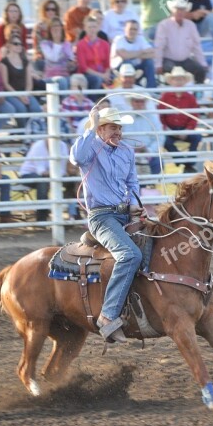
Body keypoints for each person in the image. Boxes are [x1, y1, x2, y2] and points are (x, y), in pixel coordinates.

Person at [69, 106, 141, 344]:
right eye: (112, 127)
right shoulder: (90, 149)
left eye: (119, 127)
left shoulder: (127, 152)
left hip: (124, 214)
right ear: (100, 129)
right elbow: (76, 157)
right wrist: (90, 126)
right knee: (129, 255)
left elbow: (132, 182)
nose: (118, 131)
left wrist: (134, 205)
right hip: (101, 216)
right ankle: (108, 316)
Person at [154, 0, 208, 84]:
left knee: (200, 70)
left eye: (182, 9)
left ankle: (197, 94)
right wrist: (158, 64)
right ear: (172, 10)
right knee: (171, 72)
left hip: (185, 60)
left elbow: (196, 46)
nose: (180, 12)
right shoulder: (164, 25)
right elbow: (159, 46)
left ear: (185, 11)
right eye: (177, 9)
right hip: (169, 59)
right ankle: (169, 95)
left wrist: (203, 63)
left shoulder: (191, 25)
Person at [18, 138, 72, 222]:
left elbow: (62, 169)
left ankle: (73, 214)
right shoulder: (38, 146)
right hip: (29, 174)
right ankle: (42, 218)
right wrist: (54, 174)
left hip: (51, 176)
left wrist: (53, 174)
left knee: (71, 182)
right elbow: (41, 171)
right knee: (43, 182)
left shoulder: (62, 146)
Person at [159, 66, 201, 172]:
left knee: (197, 137)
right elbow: (160, 116)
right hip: (169, 129)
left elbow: (194, 116)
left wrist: (187, 130)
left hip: (185, 128)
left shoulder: (190, 98)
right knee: (164, 139)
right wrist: (167, 130)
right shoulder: (165, 97)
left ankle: (188, 162)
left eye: (180, 79)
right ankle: (181, 160)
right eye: (176, 79)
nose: (178, 82)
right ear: (172, 81)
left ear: (184, 81)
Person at [0, 34, 43, 127]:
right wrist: (19, 96)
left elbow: (29, 82)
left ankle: (35, 131)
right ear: (9, 45)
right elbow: (6, 84)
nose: (18, 46)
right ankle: (23, 132)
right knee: (21, 109)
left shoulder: (25, 61)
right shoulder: (4, 62)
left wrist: (26, 94)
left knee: (36, 108)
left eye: (20, 44)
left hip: (24, 92)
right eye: (15, 43)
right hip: (10, 93)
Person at [123, 95, 163, 176]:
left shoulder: (152, 118)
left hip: (147, 151)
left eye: (142, 101)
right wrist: (129, 148)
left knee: (158, 162)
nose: (139, 104)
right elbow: (118, 137)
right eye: (136, 101)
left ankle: (150, 184)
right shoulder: (124, 117)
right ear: (132, 103)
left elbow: (160, 137)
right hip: (128, 151)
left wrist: (149, 150)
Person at [111, 19, 156, 88]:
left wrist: (131, 54)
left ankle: (151, 89)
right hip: (119, 69)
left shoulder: (140, 39)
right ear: (125, 29)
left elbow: (153, 53)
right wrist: (142, 52)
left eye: (135, 29)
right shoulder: (119, 39)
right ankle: (132, 86)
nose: (132, 31)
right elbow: (124, 56)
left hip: (136, 67)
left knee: (149, 62)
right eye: (130, 29)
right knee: (127, 62)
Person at [76, 16, 113, 94]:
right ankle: (94, 102)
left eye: (94, 27)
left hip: (103, 73)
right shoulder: (81, 45)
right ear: (85, 28)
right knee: (97, 79)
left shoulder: (105, 44)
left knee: (117, 79)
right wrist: (101, 76)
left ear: (98, 28)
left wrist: (107, 74)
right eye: (89, 27)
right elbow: (83, 67)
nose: (92, 29)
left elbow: (107, 64)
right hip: (88, 75)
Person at [39, 17, 76, 91]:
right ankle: (64, 101)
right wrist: (57, 41)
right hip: (50, 77)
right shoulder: (45, 44)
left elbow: (71, 59)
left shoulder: (67, 44)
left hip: (65, 74)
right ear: (50, 29)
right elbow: (54, 58)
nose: (56, 29)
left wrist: (72, 63)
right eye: (53, 26)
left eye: (58, 26)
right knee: (62, 81)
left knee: (78, 80)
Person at [32, 0, 61, 70]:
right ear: (44, 11)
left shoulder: (60, 26)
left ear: (56, 11)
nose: (50, 12)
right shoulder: (39, 27)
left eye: (53, 9)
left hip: (58, 56)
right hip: (43, 57)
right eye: (47, 9)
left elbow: (63, 44)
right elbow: (38, 47)